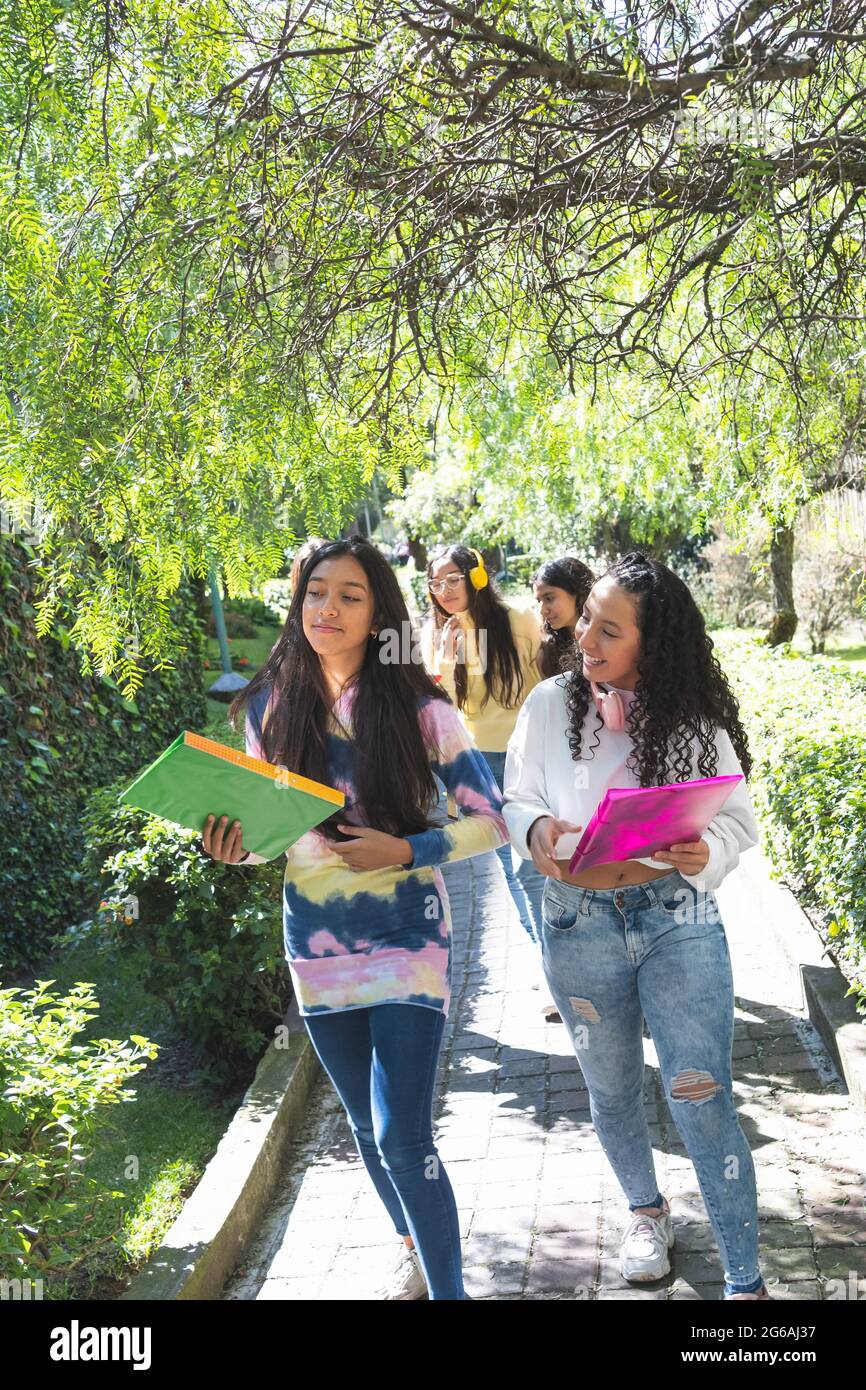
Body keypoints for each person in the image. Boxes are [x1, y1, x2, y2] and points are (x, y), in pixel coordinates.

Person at [200, 538, 507, 1301]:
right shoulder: (270, 708)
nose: (327, 608)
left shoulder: (419, 706)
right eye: (314, 593)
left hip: (408, 934)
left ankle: (451, 1294)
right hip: (316, 941)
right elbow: (272, 840)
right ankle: (414, 1245)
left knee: (403, 1134)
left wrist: (407, 847)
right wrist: (232, 847)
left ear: (379, 615)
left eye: (348, 596)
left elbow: (492, 820)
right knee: (367, 1131)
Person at [502, 551, 771, 1301]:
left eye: (608, 630)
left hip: (675, 918)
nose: (585, 637)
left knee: (700, 1091)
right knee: (613, 1089)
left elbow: (740, 823)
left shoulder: (691, 719)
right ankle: (646, 1214)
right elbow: (516, 798)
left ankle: (746, 1283)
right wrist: (536, 833)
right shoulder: (550, 705)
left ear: (651, 646)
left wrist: (705, 848)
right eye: (587, 617)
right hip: (575, 920)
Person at [420, 542, 558, 1017]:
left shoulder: (519, 618)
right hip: (476, 764)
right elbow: (436, 706)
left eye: (452, 579)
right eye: (435, 584)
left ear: (476, 576)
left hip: (532, 755)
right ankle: (554, 972)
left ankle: (571, 967)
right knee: (513, 871)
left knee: (539, 864)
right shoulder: (438, 633)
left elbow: (553, 675)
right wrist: (444, 657)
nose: (443, 592)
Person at [532, 556, 595, 680]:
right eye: (539, 601)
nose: (542, 610)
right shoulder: (547, 653)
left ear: (577, 591)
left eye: (549, 598)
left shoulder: (607, 638)